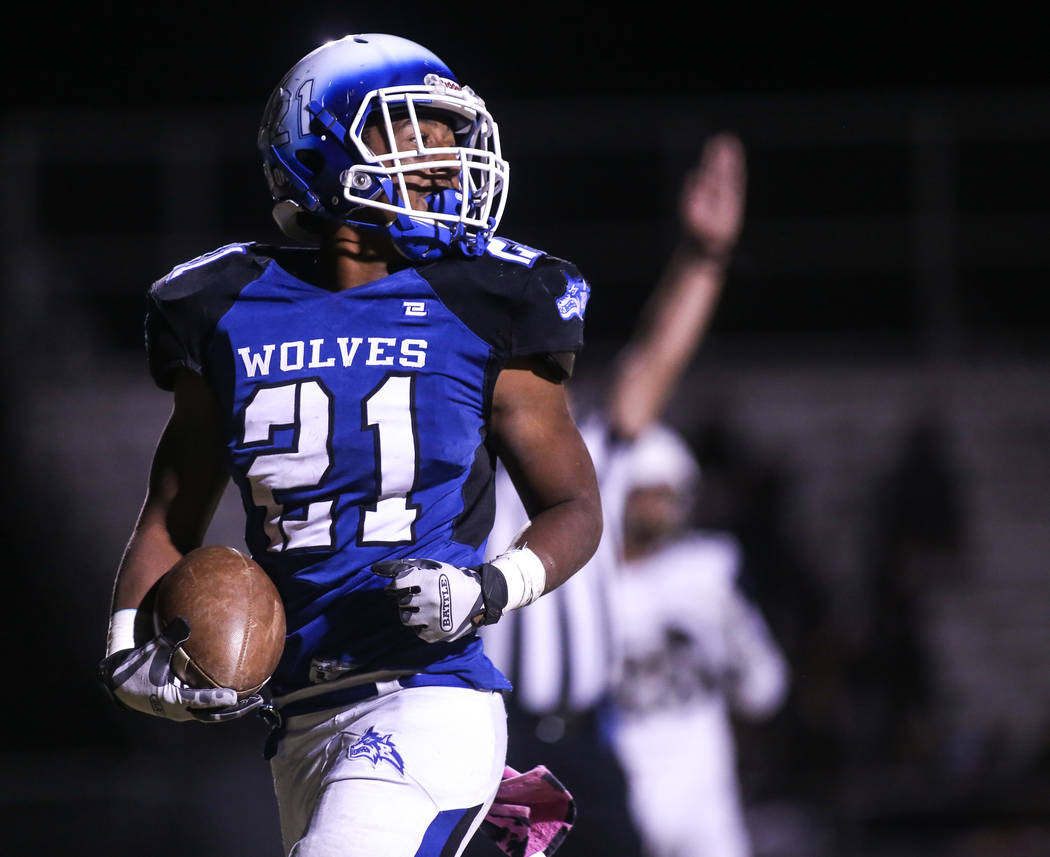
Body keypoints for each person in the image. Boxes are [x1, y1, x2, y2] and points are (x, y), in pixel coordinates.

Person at [97, 33, 602, 857]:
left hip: (428, 695)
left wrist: (487, 588)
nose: (445, 157)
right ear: (319, 149)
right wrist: (127, 648)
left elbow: (574, 505)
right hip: (298, 717)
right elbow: (169, 515)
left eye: (449, 136)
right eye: (415, 132)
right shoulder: (223, 307)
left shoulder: (488, 302)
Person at [470, 133, 748, 856]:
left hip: (594, 733)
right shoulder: (456, 466)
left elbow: (654, 361)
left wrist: (704, 255)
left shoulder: (590, 447)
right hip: (507, 743)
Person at [610, 423, 789, 857]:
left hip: (704, 792)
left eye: (668, 495)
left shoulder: (706, 571)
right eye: (648, 494)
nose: (659, 509)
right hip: (621, 782)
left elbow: (764, 689)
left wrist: (733, 624)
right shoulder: (588, 584)